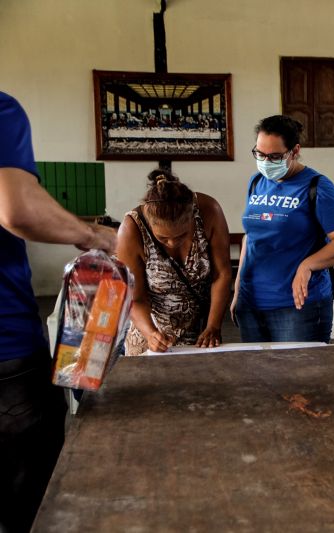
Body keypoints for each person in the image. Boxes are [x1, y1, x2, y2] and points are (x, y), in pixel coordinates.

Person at [0, 92, 117, 532]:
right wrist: (95, 235)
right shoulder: (1, 110)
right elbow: (18, 209)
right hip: (6, 359)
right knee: (32, 511)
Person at [231, 115, 334, 343]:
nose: (266, 162)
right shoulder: (256, 182)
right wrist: (238, 289)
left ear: (294, 150)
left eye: (275, 156)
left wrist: (307, 266)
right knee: (255, 376)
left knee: (300, 377)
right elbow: (250, 238)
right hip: (251, 303)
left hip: (297, 307)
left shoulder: (317, 186)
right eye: (259, 154)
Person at [116, 170, 231, 356]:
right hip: (152, 332)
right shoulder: (131, 230)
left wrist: (213, 326)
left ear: (192, 217)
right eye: (162, 238)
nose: (171, 243)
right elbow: (135, 298)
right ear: (150, 223)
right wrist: (151, 333)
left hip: (203, 332)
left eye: (181, 235)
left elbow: (222, 274)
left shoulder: (209, 211)